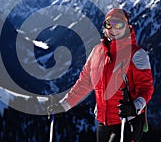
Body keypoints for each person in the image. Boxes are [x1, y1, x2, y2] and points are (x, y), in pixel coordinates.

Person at [48, 8, 154, 142]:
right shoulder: (96, 52)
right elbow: (84, 83)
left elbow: (146, 88)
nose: (113, 29)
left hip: (127, 120)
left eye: (119, 24)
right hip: (103, 122)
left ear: (127, 27)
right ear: (104, 27)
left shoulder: (137, 55)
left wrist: (134, 107)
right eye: (109, 24)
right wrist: (64, 105)